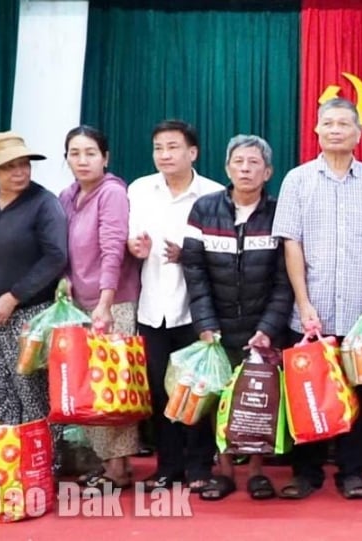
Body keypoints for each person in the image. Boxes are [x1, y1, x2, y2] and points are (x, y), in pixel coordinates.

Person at [272, 98, 362, 500]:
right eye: (328, 123)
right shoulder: (298, 179)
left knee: (359, 394)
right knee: (307, 392)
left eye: (344, 124)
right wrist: (303, 300)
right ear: (316, 131)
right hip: (310, 312)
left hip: (360, 315)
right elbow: (291, 243)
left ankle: (352, 473)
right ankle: (306, 472)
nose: (336, 130)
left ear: (359, 134)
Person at [181, 134, 292, 501]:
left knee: (259, 398)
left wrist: (267, 329)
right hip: (218, 325)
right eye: (239, 162)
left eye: (254, 163)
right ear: (228, 167)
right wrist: (205, 324)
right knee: (220, 399)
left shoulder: (280, 212)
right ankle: (225, 471)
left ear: (268, 171)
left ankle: (257, 471)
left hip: (263, 326)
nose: (245, 169)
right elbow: (194, 272)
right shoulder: (204, 209)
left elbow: (285, 279)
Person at [127, 120, 224, 490]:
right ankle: (167, 466)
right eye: (158, 148)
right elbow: (131, 238)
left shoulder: (213, 194)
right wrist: (135, 248)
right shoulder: (140, 190)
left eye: (172, 147)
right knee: (160, 389)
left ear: (192, 152)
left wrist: (189, 255)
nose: (164, 155)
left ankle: (200, 466)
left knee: (195, 389)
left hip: (195, 308)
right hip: (152, 306)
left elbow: (224, 253)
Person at [0, 132, 67, 430]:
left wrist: (13, 297)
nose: (20, 171)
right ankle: (6, 463)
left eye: (24, 164)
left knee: (32, 392)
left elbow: (55, 257)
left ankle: (43, 465)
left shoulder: (45, 203)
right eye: (9, 166)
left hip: (29, 317)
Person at [59, 125, 142, 490]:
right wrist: (64, 279)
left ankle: (120, 469)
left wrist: (106, 304)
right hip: (78, 305)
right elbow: (61, 246)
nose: (82, 160)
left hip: (113, 304)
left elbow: (113, 249)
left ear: (105, 158)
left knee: (115, 387)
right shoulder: (67, 195)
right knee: (90, 389)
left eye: (90, 153)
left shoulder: (112, 193)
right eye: (75, 153)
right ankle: (107, 462)